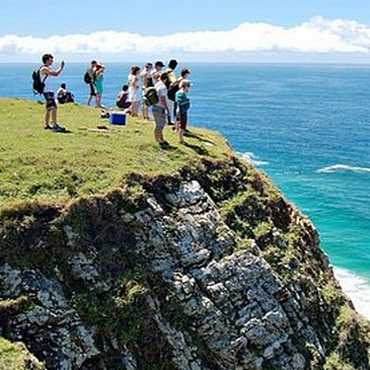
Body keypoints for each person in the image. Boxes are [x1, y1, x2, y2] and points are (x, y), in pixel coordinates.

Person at [39, 54, 66, 132]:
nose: (52, 61)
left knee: (49, 108)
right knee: (54, 108)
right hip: (47, 91)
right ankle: (55, 126)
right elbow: (56, 74)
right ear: (47, 60)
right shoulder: (44, 69)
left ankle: (47, 125)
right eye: (51, 60)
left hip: (48, 91)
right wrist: (61, 67)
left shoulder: (46, 68)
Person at [152, 72, 170, 148]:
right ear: (165, 79)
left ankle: (161, 139)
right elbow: (163, 99)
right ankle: (157, 140)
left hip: (154, 106)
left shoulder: (157, 84)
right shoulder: (163, 87)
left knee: (159, 124)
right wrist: (167, 108)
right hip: (160, 107)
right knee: (160, 125)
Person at [165, 59, 178, 125]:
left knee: (169, 106)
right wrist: (179, 81)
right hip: (170, 91)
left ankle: (169, 120)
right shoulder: (170, 72)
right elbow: (173, 82)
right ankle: (171, 121)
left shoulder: (166, 71)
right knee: (171, 107)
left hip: (166, 90)